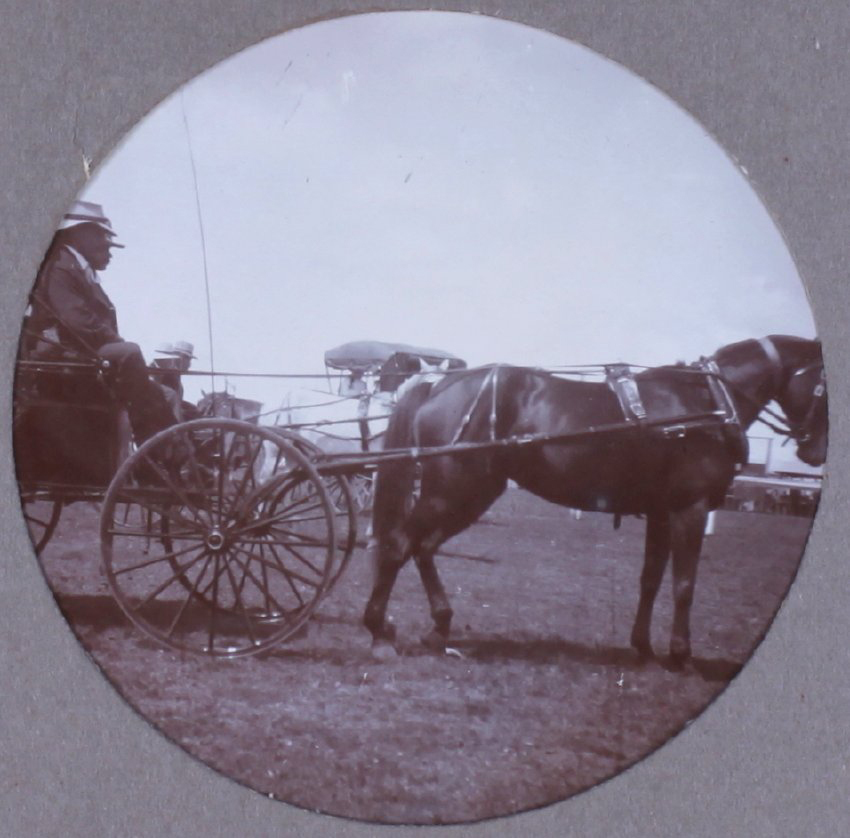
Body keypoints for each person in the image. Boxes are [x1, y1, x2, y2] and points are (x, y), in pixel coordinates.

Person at [28, 200, 176, 445]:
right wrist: (116, 341)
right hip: (66, 355)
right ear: (79, 233)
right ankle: (155, 443)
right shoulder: (59, 266)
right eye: (100, 235)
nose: (105, 243)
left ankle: (168, 448)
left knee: (163, 392)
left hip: (80, 351)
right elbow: (76, 320)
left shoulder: (76, 267)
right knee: (129, 352)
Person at [151, 340, 200, 421]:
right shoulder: (167, 373)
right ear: (181, 357)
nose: (189, 364)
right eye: (188, 359)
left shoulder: (176, 374)